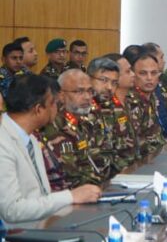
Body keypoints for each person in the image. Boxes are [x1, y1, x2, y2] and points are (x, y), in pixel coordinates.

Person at [0, 74, 101, 223]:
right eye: (53, 103)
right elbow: (12, 210)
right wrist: (71, 196)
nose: (57, 108)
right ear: (38, 109)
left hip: (43, 226)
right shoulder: (3, 143)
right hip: (16, 235)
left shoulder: (31, 138)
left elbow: (42, 195)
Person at [38, 69, 113, 188]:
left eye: (90, 91)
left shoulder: (85, 122)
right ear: (61, 96)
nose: (87, 97)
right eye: (79, 91)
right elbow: (68, 175)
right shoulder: (54, 126)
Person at [130, 53, 165, 158]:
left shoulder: (153, 96)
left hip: (155, 153)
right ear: (133, 75)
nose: (149, 78)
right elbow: (135, 142)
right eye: (143, 73)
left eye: (154, 73)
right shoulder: (130, 101)